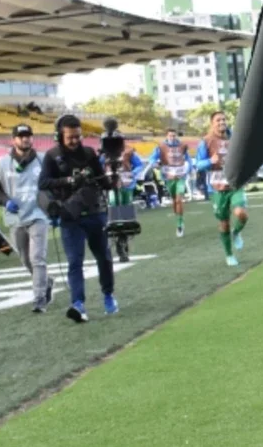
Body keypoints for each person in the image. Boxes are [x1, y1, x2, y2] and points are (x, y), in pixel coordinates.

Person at [38, 114, 118, 323]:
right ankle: (78, 304)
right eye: (70, 137)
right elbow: (43, 183)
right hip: (70, 216)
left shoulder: (90, 153)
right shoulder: (51, 156)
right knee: (75, 262)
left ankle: (108, 295)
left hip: (95, 213)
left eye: (78, 136)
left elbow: (104, 183)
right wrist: (68, 180)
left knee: (104, 257)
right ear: (59, 136)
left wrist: (114, 178)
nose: (75, 141)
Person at [0, 124, 55, 313]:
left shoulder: (43, 160)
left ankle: (39, 298)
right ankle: (46, 282)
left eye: (28, 135)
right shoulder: (1, 163)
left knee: (38, 258)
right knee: (25, 259)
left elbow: (52, 184)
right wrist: (5, 201)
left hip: (38, 215)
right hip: (15, 217)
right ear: (13, 140)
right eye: (21, 136)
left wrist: (53, 206)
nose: (25, 139)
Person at [196, 111, 248, 266]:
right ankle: (229, 255)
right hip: (217, 188)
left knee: (241, 213)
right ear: (212, 123)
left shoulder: (236, 137)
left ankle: (237, 232)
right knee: (224, 223)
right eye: (218, 120)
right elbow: (197, 164)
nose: (222, 122)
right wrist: (209, 161)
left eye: (224, 119)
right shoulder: (205, 141)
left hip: (235, 184)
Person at [99, 131, 144, 263]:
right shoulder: (103, 154)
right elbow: (98, 167)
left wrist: (132, 174)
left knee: (125, 217)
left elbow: (139, 165)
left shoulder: (129, 152)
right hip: (111, 187)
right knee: (113, 210)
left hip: (127, 185)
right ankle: (116, 240)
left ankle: (123, 244)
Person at [149, 129, 190, 237]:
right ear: (166, 136)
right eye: (170, 136)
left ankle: (180, 224)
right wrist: (155, 164)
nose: (172, 137)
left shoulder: (182, 146)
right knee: (174, 201)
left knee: (179, 200)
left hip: (180, 176)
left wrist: (189, 168)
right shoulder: (160, 147)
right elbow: (152, 159)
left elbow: (188, 159)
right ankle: (178, 219)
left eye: (174, 135)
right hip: (168, 177)